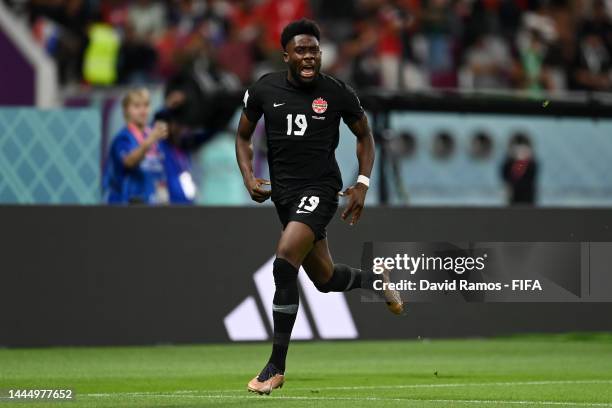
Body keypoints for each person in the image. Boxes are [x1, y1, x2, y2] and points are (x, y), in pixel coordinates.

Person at [235, 19, 403, 395]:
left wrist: (362, 183)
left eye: (314, 50)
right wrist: (248, 176)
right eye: (301, 50)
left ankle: (275, 367)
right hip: (284, 195)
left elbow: (365, 136)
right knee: (324, 280)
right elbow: (244, 135)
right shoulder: (265, 88)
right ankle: (375, 281)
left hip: (322, 189)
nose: (309, 56)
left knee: (284, 258)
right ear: (287, 56)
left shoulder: (337, 93)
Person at [103, 88, 168, 204]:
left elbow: (158, 171)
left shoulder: (151, 135)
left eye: (146, 105)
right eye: (137, 106)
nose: (143, 110)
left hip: (149, 203)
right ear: (126, 110)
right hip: (125, 204)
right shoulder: (123, 138)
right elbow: (129, 161)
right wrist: (150, 140)